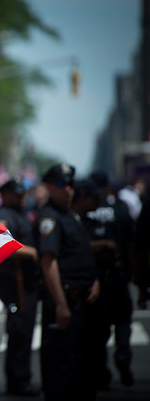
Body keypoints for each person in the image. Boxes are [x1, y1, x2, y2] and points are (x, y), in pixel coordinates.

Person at [34, 164, 100, 400]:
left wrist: (94, 280)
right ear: (49, 186)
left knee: (84, 366)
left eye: (71, 185)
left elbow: (81, 253)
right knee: (62, 368)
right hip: (65, 300)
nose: (68, 190)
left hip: (84, 299)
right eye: (62, 185)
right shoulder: (49, 218)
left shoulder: (70, 215)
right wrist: (61, 304)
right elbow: (48, 262)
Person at [86, 171, 135, 387]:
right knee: (123, 321)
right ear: (108, 188)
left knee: (98, 328)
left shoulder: (85, 212)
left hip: (95, 278)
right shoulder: (120, 210)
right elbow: (133, 243)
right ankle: (123, 355)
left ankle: (102, 372)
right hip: (118, 276)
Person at [0, 178, 39, 396]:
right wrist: (31, 252)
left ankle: (22, 378)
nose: (23, 198)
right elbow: (1, 244)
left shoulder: (20, 213)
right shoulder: (3, 215)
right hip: (13, 282)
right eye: (18, 195)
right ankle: (18, 381)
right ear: (7, 194)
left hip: (27, 282)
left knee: (25, 330)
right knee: (19, 329)